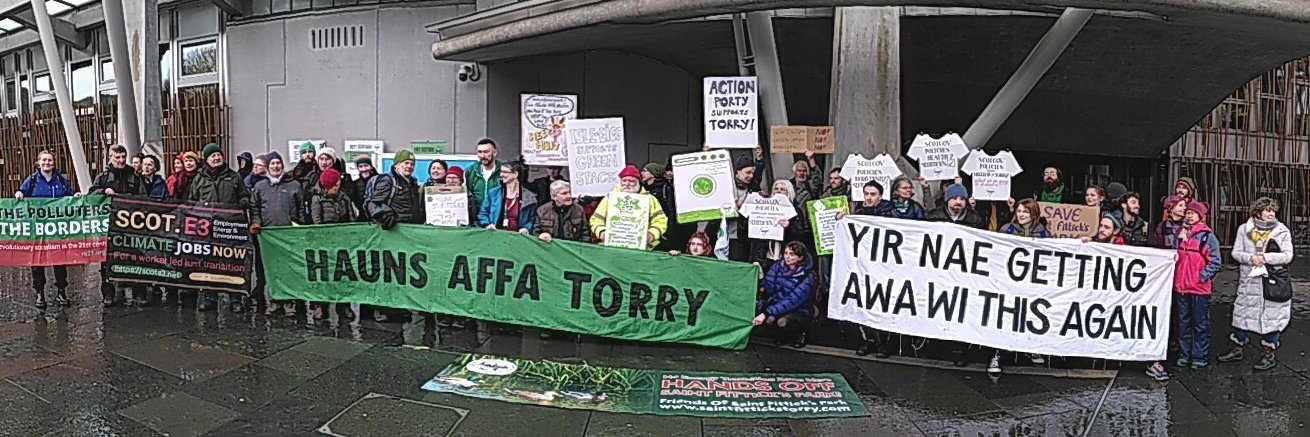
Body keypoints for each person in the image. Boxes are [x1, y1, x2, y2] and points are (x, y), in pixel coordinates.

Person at [1218, 197, 1295, 371]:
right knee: (1242, 316)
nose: (1271, 213)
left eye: (1273, 210)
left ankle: (1269, 354)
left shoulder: (1281, 231)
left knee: (1272, 318)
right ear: (1258, 211)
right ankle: (1237, 348)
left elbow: (1288, 255)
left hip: (1271, 281)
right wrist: (1251, 258)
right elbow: (1236, 253)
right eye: (1267, 210)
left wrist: (1266, 258)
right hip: (1250, 281)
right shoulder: (1244, 229)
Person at [990, 198, 1051, 374]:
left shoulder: (1045, 234)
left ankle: (1030, 348)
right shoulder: (1006, 230)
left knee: (1030, 316)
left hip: (1032, 285)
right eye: (1019, 211)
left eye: (1026, 211)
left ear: (1034, 214)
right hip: (1008, 284)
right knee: (1005, 318)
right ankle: (997, 354)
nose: (1021, 214)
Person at [365, 149, 425, 323]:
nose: (409, 166)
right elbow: (373, 203)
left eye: (412, 164)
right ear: (397, 164)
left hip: (406, 235)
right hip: (390, 233)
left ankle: (398, 306)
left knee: (401, 272)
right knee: (386, 271)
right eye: (406, 163)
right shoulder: (387, 180)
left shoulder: (412, 183)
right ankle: (382, 308)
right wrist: (385, 216)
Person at [189, 143, 250, 313]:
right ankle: (210, 297)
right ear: (207, 159)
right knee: (210, 263)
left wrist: (243, 202)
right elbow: (192, 201)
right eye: (212, 156)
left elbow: (244, 195)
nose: (216, 158)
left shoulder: (234, 177)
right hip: (207, 228)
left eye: (218, 155)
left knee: (232, 263)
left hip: (229, 227)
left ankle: (235, 298)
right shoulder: (199, 179)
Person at [15, 150, 79, 308]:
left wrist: (76, 196)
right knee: (38, 261)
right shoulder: (32, 179)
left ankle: (61, 292)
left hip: (57, 228)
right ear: (38, 162)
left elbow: (70, 196)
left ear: (54, 162)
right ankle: (39, 293)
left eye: (49, 160)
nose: (47, 163)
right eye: (44, 160)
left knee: (60, 261)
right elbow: (22, 191)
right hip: (38, 228)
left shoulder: (61, 180)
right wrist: (19, 193)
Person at [250, 151, 305, 316]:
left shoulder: (294, 185)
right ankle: (274, 302)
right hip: (268, 236)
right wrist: (257, 222)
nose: (276, 166)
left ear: (282, 165)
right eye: (272, 164)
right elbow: (255, 207)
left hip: (288, 236)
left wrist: (299, 228)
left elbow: (301, 208)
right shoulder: (260, 187)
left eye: (278, 163)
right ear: (267, 167)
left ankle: (289, 303)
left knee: (288, 270)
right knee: (271, 270)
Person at [91, 145, 147, 307]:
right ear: (110, 158)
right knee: (107, 261)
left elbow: (143, 197)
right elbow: (91, 194)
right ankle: (108, 294)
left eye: (123, 157)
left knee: (137, 258)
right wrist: (103, 191)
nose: (121, 160)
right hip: (110, 227)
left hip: (132, 226)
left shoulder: (134, 176)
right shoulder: (103, 177)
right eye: (117, 157)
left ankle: (139, 293)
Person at [1174, 201, 1222, 370]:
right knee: (1183, 324)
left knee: (1200, 324)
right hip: (1181, 287)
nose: (1189, 215)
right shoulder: (1180, 234)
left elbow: (1215, 262)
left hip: (1199, 289)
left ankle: (1199, 356)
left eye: (1193, 213)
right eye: (1187, 212)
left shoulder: (1207, 237)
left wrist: (1201, 277)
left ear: (1201, 217)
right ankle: (1184, 354)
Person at [309, 168, 358, 321]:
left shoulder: (345, 198)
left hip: (342, 242)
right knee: (323, 275)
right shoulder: (317, 199)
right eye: (335, 184)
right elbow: (317, 221)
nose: (337, 186)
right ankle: (320, 305)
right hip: (324, 242)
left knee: (342, 274)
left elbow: (351, 219)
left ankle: (343, 304)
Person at [589, 165, 669, 250]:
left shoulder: (649, 199)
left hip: (643, 249)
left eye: (631, 181)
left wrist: (651, 235)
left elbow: (660, 220)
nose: (627, 184)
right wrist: (602, 233)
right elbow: (596, 219)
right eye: (624, 181)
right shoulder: (610, 198)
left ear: (638, 182)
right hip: (612, 248)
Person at [755, 241, 815, 348]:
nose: (787, 257)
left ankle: (801, 333)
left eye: (792, 254)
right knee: (769, 319)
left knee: (782, 322)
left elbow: (792, 300)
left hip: (799, 309)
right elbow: (769, 290)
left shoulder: (808, 276)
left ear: (800, 257)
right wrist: (761, 277)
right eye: (786, 253)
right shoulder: (777, 267)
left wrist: (766, 313)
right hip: (778, 304)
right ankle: (782, 334)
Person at [479, 161, 537, 234]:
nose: (501, 174)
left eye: (505, 172)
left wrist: (526, 229)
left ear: (515, 174)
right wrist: (487, 224)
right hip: (495, 235)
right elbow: (483, 213)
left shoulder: (529, 197)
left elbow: (532, 219)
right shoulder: (494, 193)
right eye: (501, 171)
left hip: (518, 237)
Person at [725, 156, 756, 260]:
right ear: (737, 172)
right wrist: (733, 207)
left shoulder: (754, 189)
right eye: (747, 173)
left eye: (752, 173)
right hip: (723, 235)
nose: (751, 176)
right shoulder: (726, 187)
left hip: (742, 237)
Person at [466, 138, 503, 210]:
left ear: (494, 153)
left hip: (497, 212)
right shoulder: (471, 171)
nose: (482, 155)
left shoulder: (503, 170)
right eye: (479, 152)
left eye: (486, 152)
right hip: (477, 213)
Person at [351, 155, 376, 222]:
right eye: (360, 166)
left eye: (366, 165)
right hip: (363, 219)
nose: (364, 169)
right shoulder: (355, 184)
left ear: (371, 166)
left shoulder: (379, 180)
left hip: (378, 219)